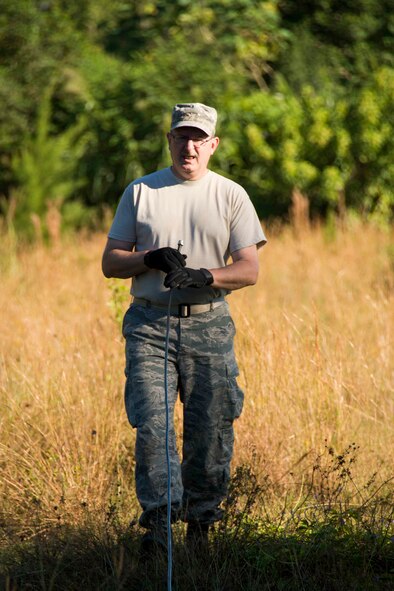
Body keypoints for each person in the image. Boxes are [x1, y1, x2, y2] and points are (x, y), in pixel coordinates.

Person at [102, 102, 266, 551]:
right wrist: (148, 258)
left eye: (198, 138)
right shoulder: (141, 191)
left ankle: (201, 527)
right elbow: (110, 262)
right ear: (169, 140)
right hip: (149, 324)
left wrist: (205, 276)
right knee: (152, 425)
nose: (189, 146)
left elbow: (249, 269)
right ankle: (158, 529)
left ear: (212, 145)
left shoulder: (231, 194)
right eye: (181, 136)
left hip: (209, 325)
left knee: (210, 427)